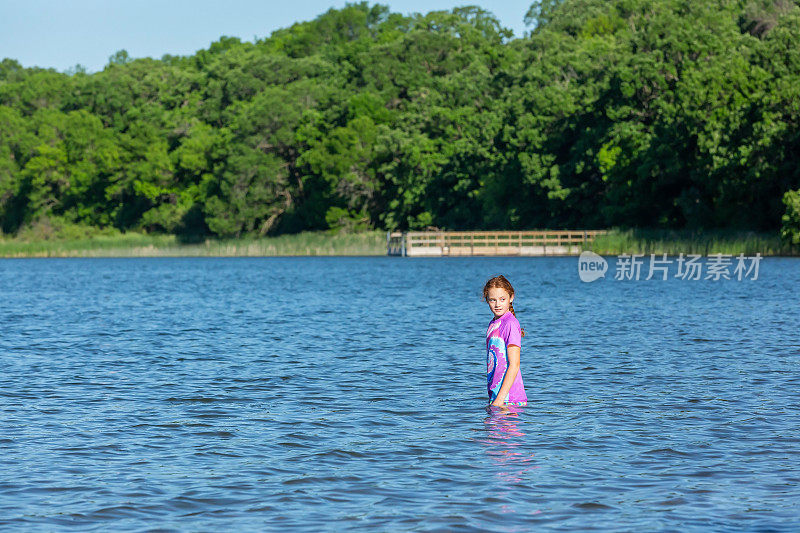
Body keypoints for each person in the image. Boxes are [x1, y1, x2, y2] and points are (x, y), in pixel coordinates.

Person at [483, 275, 528, 409]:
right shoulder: (493, 323)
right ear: (487, 300)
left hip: (510, 400)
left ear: (511, 297)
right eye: (492, 300)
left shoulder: (510, 324)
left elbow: (514, 365)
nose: (497, 304)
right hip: (497, 397)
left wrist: (499, 400)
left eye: (502, 299)